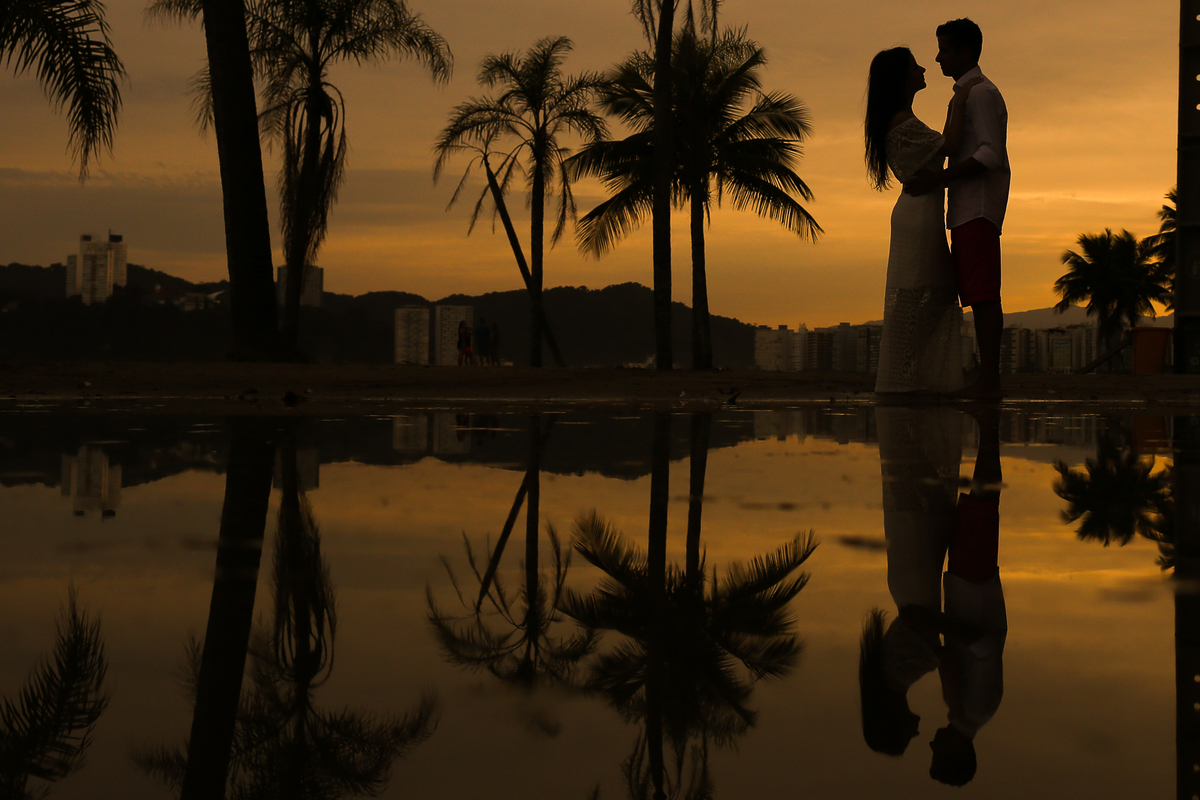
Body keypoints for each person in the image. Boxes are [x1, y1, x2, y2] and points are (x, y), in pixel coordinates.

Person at [906, 18, 1010, 400]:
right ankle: (982, 378)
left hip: (977, 207)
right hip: (968, 208)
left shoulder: (980, 94)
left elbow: (990, 154)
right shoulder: (968, 92)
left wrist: (940, 180)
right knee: (974, 292)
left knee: (982, 296)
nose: (937, 57)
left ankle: (989, 380)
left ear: (965, 52)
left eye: (945, 50)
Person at [865, 47, 979, 394]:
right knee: (924, 299)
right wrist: (959, 101)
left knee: (931, 298)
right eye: (915, 66)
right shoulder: (902, 122)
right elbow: (953, 145)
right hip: (917, 218)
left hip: (918, 215)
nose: (923, 68)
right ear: (902, 79)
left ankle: (910, 376)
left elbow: (942, 145)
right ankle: (907, 378)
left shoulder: (902, 120)